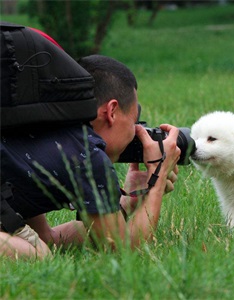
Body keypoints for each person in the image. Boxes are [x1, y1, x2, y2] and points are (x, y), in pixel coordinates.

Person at [0, 52, 181, 259]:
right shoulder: (87, 154)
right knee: (38, 254)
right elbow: (125, 252)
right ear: (112, 111)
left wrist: (126, 203)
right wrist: (157, 178)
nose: (135, 132)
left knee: (39, 245)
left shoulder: (43, 125)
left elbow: (48, 237)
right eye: (133, 122)